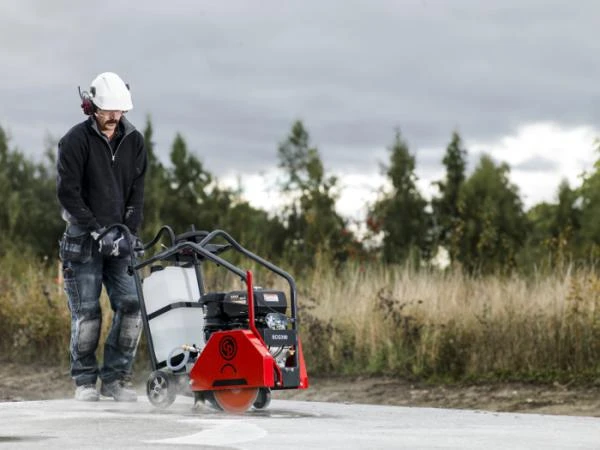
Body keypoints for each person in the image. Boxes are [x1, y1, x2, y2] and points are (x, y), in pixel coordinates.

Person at [56, 72, 147, 402]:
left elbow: (137, 191)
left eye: (120, 110)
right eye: (108, 110)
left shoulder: (134, 141)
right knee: (88, 311)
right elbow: (68, 194)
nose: (115, 116)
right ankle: (84, 381)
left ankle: (116, 380)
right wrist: (97, 229)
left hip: (120, 240)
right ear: (91, 106)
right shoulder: (74, 141)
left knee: (133, 304)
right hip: (83, 241)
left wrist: (129, 229)